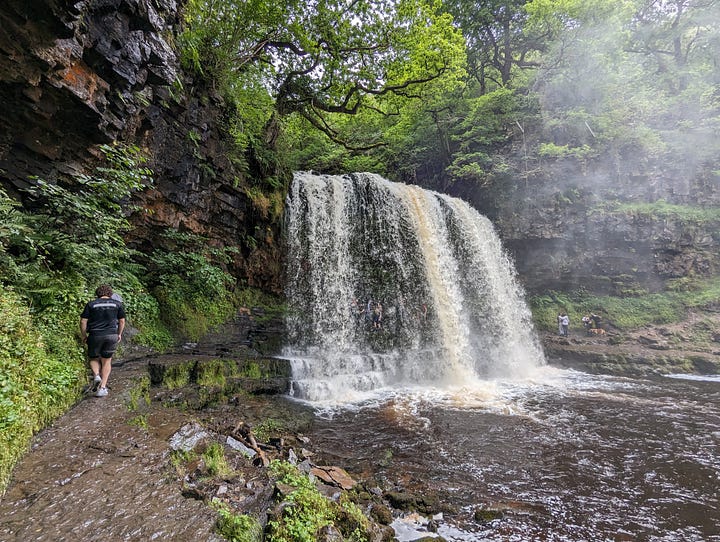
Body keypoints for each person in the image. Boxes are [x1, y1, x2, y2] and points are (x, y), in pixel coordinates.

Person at [80, 284, 126, 397]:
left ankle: (96, 375)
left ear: (97, 294)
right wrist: (119, 334)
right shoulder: (117, 304)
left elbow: (83, 321)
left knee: (94, 357)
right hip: (111, 335)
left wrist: (84, 335)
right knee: (107, 360)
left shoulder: (91, 304)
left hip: (95, 335)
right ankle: (102, 388)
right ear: (110, 294)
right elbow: (122, 321)